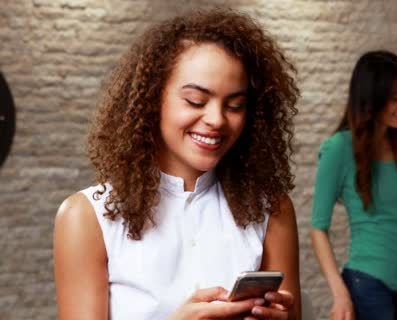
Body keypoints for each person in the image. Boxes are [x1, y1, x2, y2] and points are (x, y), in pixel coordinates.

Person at [54, 9, 301, 320]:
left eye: (235, 105)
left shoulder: (271, 210)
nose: (216, 120)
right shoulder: (87, 217)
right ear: (153, 100)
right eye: (196, 101)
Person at [310, 51, 397, 320]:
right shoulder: (338, 149)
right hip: (366, 284)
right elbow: (318, 228)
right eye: (395, 98)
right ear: (371, 98)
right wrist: (340, 293)